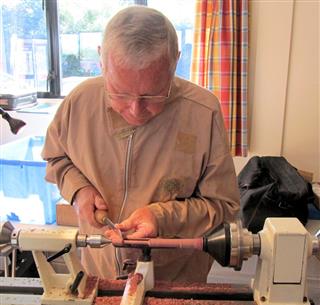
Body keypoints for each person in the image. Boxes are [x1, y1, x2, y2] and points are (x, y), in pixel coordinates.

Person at [42, 6, 240, 283]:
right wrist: (79, 191)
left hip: (175, 280)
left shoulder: (203, 112)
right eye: (120, 93)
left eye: (153, 95)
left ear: (176, 61)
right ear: (101, 59)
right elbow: (57, 159)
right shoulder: (79, 102)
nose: (136, 110)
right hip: (99, 275)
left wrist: (161, 217)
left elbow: (224, 206)